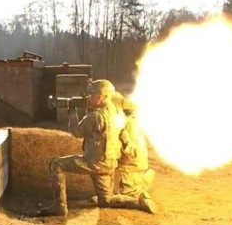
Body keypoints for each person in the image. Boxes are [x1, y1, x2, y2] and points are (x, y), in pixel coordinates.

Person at [38, 79, 138, 217]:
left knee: (56, 164)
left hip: (94, 163)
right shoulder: (117, 112)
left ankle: (59, 207)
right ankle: (137, 202)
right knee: (106, 200)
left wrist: (72, 112)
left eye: (93, 95)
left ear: (102, 97)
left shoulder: (95, 116)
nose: (90, 97)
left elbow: (77, 132)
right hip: (109, 163)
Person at [113, 92, 157, 214]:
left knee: (110, 198)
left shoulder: (126, 125)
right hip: (137, 166)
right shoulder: (134, 122)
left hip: (129, 168)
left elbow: (131, 151)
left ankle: (139, 200)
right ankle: (142, 183)